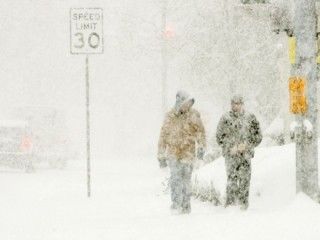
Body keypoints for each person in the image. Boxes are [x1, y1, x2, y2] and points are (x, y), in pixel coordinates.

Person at [158, 91, 206, 214]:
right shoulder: (170, 116)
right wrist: (161, 156)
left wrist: (201, 151)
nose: (187, 106)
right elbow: (163, 136)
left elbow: (200, 133)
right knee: (175, 179)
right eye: (185, 103)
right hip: (173, 153)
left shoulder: (194, 115)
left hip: (188, 153)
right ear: (179, 102)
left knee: (186, 181)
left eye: (189, 103)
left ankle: (185, 206)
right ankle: (176, 205)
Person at [216, 95, 262, 210]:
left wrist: (247, 145)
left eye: (238, 104)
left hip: (245, 156)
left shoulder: (250, 118)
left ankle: (243, 206)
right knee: (232, 180)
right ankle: (231, 205)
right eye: (234, 104)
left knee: (245, 181)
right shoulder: (225, 118)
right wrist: (230, 147)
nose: (236, 106)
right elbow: (219, 137)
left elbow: (258, 136)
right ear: (231, 105)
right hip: (231, 156)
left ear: (242, 104)